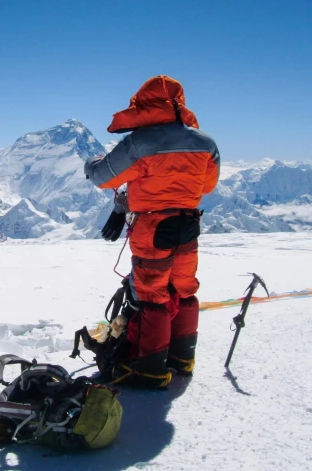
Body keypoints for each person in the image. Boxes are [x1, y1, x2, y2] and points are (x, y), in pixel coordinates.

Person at [84, 75, 220, 389]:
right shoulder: (205, 143)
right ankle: (182, 359)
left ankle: (148, 369)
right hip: (188, 224)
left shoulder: (142, 142)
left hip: (153, 227)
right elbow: (207, 185)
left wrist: (92, 163)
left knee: (151, 296)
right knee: (184, 288)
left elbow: (104, 175)